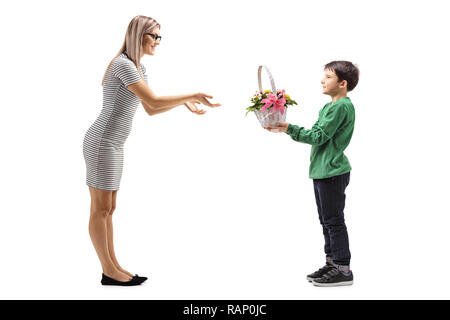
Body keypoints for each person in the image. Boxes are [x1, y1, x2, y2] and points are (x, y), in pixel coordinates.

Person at [82, 15, 221, 286]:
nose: (157, 41)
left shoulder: (138, 68)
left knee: (109, 207)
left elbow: (151, 108)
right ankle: (108, 271)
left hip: (114, 143)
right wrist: (191, 95)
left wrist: (182, 104)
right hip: (102, 143)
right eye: (153, 36)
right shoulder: (124, 65)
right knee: (100, 209)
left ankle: (114, 266)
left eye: (160, 37)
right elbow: (153, 100)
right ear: (138, 35)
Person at [265, 61, 359, 287]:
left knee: (334, 221)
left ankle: (343, 269)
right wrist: (288, 129)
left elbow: (317, 137)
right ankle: (332, 263)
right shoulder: (330, 106)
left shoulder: (341, 107)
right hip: (322, 171)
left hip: (332, 172)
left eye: (328, 77)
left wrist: (289, 128)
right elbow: (317, 133)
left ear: (342, 83)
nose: (322, 80)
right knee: (326, 221)